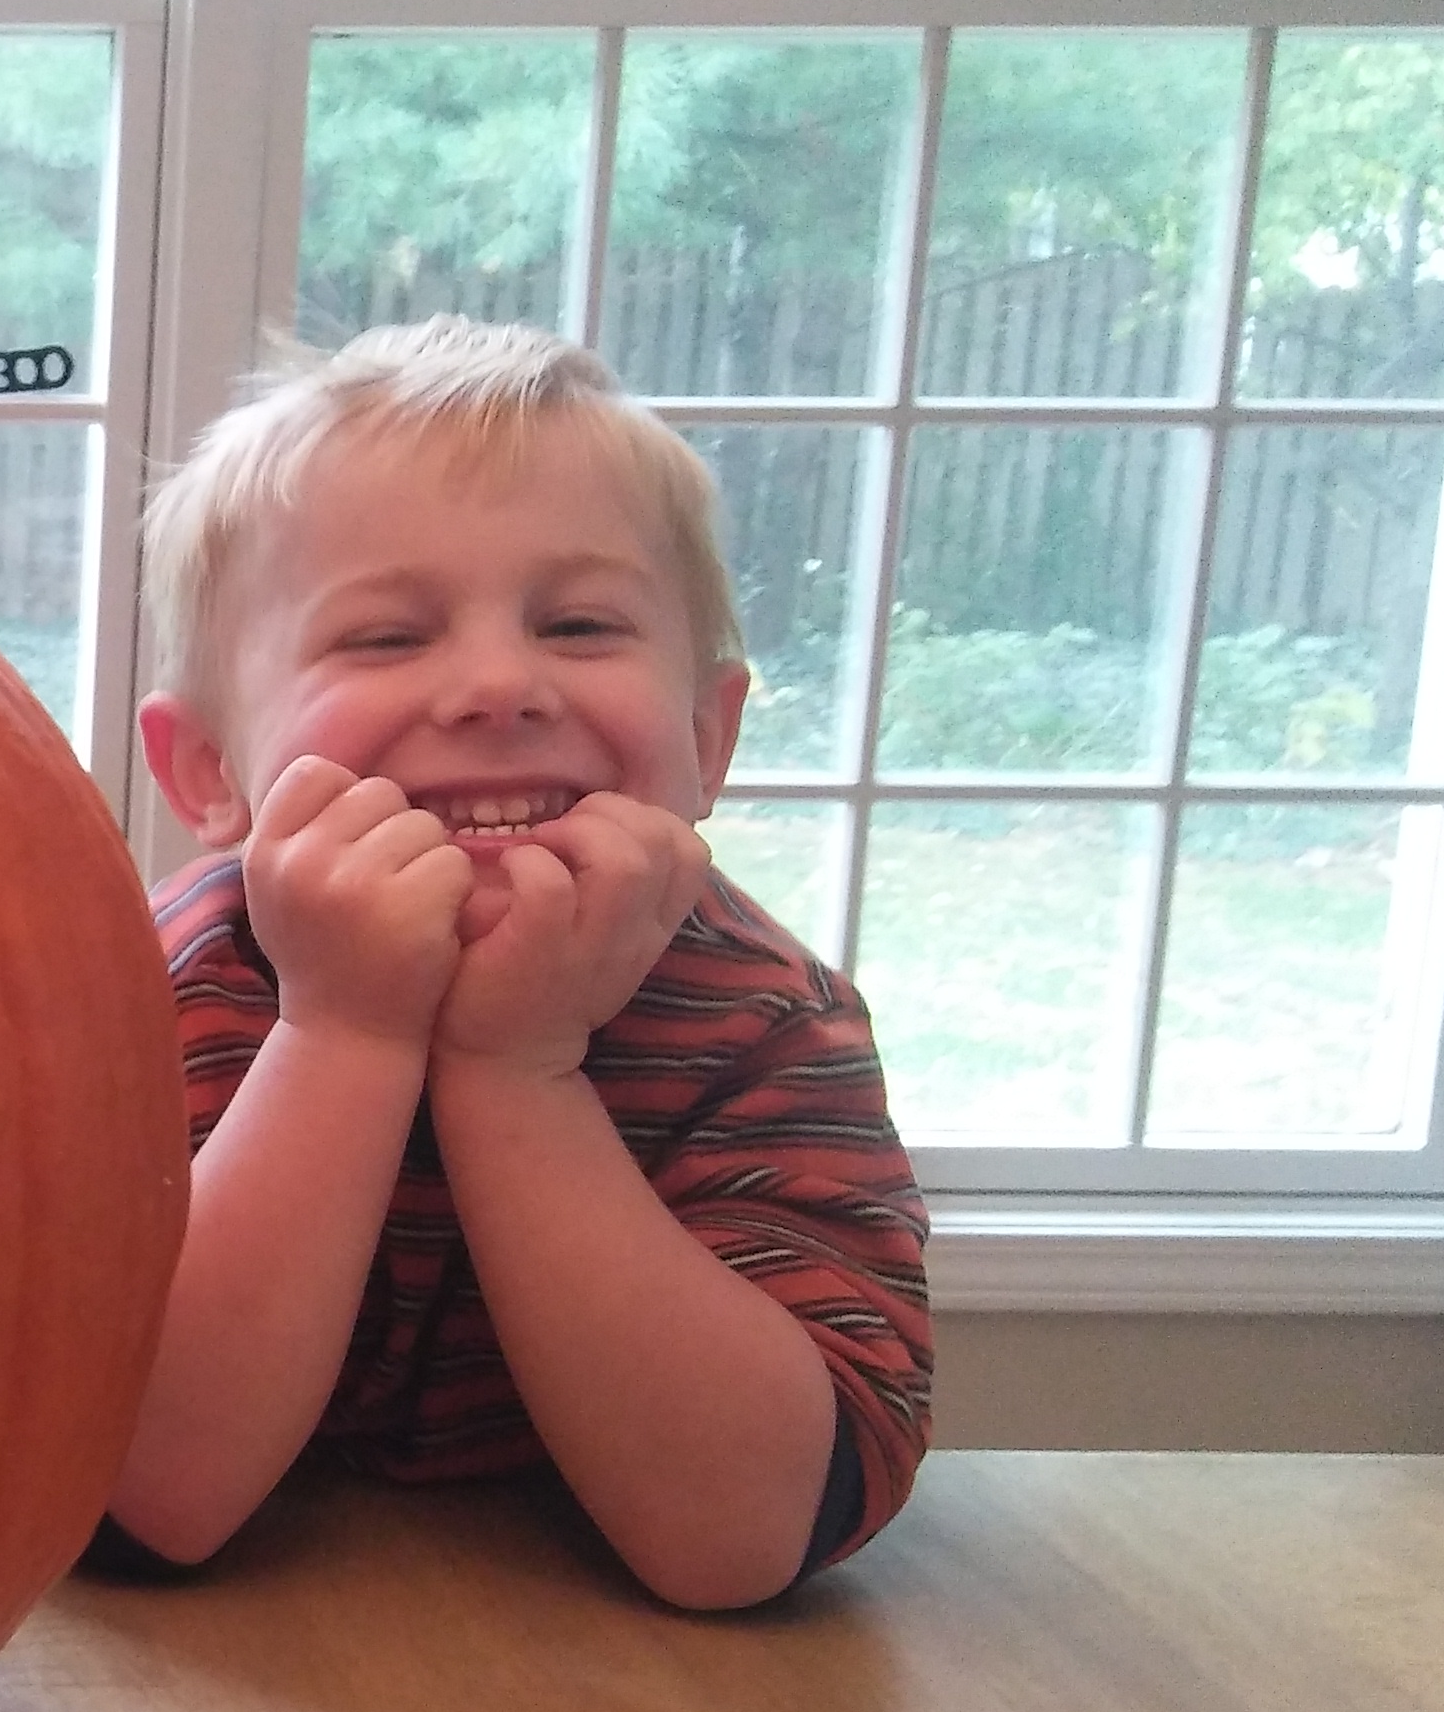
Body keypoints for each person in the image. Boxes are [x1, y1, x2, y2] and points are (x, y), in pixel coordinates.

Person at [105, 316, 927, 1610]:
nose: (499, 684)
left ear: (708, 738)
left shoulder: (770, 1026)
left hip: (636, 1693)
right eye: (387, 637)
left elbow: (746, 1534)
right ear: (208, 770)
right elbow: (142, 1493)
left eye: (581, 625)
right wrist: (344, 1033)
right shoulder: (137, 994)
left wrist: (517, 1069)